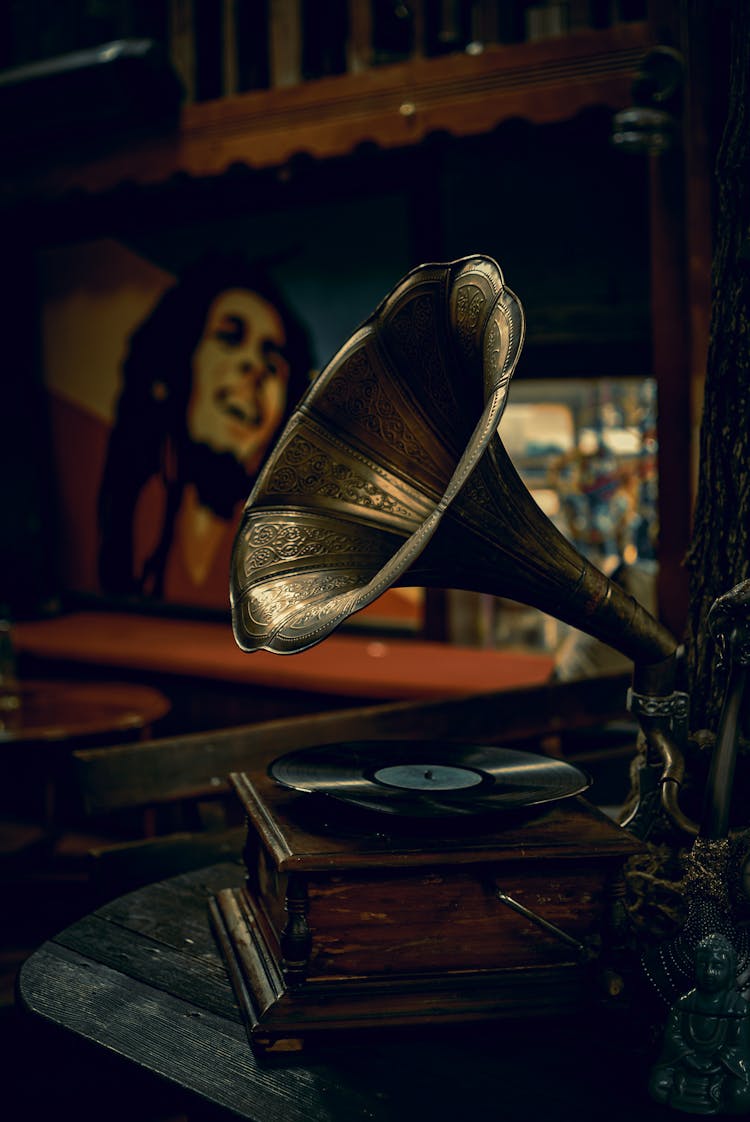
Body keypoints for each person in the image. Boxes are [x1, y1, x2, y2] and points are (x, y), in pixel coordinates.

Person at [97, 254, 313, 607]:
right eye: (230, 337)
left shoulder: (287, 547)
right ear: (174, 366)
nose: (254, 367)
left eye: (273, 361)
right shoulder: (135, 515)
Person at [649, 932, 750, 1114]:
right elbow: (673, 1036)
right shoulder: (685, 1003)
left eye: (717, 966)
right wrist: (688, 1058)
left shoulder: (738, 1007)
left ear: (730, 969)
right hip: (685, 1065)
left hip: (722, 1070)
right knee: (658, 1085)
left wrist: (718, 1064)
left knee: (740, 1094)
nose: (709, 972)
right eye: (703, 964)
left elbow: (738, 1046)